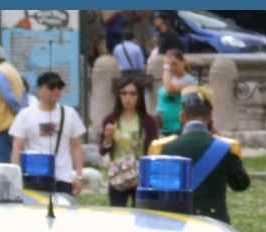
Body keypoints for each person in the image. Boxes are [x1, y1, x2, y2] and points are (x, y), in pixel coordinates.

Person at [148, 85, 250, 223]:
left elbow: (153, 192)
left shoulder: (164, 147)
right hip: (215, 222)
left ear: (182, 118)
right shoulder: (226, 147)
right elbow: (241, 184)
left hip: (177, 222)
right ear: (210, 119)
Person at [9, 71, 86, 196]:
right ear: (39, 90)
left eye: (59, 87)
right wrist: (14, 177)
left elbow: (76, 146)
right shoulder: (26, 115)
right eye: (51, 87)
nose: (56, 91)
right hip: (34, 177)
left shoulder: (69, 114)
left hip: (62, 178)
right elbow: (17, 147)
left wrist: (79, 175)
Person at [100, 78, 159, 207]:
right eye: (124, 93)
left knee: (141, 214)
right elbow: (102, 149)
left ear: (139, 97)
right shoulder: (111, 119)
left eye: (133, 94)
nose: (128, 98)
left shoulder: (148, 121)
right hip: (118, 175)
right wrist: (108, 139)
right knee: (117, 213)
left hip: (141, 175)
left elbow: (153, 148)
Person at [155, 50, 197, 136]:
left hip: (176, 126)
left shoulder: (188, 80)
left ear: (183, 62)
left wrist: (166, 68)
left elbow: (170, 89)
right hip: (163, 125)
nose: (172, 68)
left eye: (175, 64)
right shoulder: (172, 78)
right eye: (170, 65)